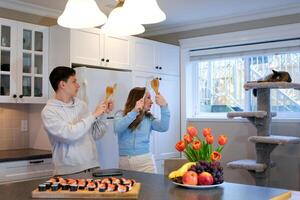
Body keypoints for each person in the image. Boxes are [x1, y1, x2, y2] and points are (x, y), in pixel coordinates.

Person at [41, 66, 113, 175]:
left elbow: (94, 134)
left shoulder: (82, 105)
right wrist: (93, 115)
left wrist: (104, 114)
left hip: (93, 167)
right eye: (74, 81)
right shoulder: (49, 112)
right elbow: (69, 135)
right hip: (68, 172)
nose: (78, 85)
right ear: (63, 84)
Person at [114, 87, 170, 173]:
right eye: (148, 98)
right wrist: (134, 112)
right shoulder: (120, 114)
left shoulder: (149, 118)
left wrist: (164, 106)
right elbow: (118, 128)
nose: (152, 102)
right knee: (129, 187)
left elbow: (164, 127)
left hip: (145, 163)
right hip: (125, 163)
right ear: (138, 100)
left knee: (151, 187)